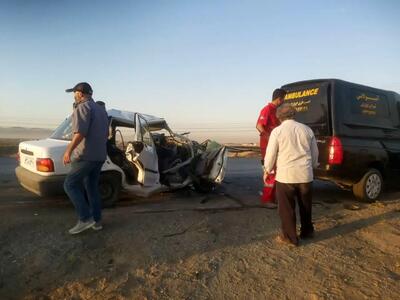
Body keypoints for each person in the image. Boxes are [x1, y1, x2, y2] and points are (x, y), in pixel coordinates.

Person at [263, 104, 319, 246]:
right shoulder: (307, 130)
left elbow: (271, 154)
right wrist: (312, 167)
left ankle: (290, 237)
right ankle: (307, 232)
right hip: (305, 175)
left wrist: (267, 170)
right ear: (294, 114)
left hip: (286, 176)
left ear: (279, 116)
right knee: (305, 206)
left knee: (287, 209)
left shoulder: (277, 131)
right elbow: (315, 154)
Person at [63, 82, 109, 235]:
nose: (74, 96)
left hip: (85, 156)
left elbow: (80, 133)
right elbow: (106, 134)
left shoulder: (82, 107)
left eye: (74, 93)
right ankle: (97, 222)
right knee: (92, 188)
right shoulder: (102, 111)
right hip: (99, 156)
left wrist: (68, 151)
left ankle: (85, 218)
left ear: (80, 94)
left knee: (70, 184)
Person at [256, 88, 286, 208]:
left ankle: (273, 198)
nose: (284, 101)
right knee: (271, 172)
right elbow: (259, 126)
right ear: (279, 99)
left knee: (277, 172)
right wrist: (269, 138)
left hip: (275, 146)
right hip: (268, 147)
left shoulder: (277, 111)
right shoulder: (267, 109)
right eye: (283, 99)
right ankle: (267, 200)